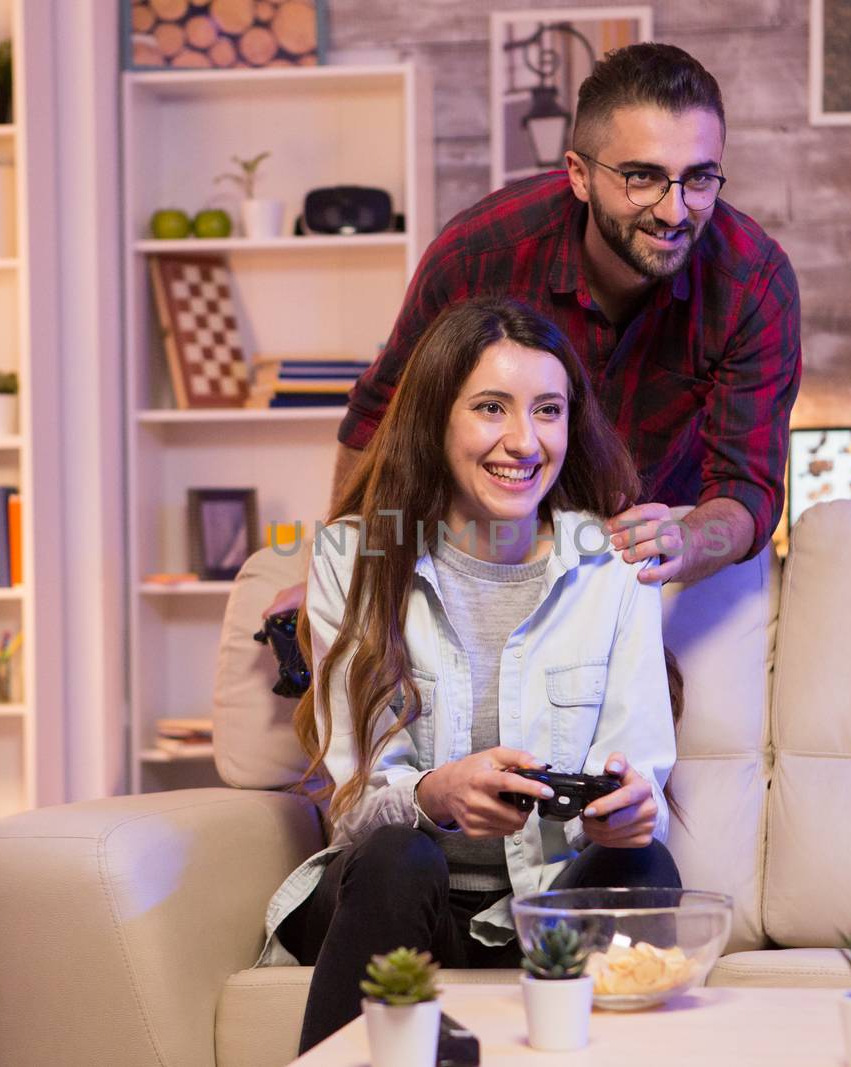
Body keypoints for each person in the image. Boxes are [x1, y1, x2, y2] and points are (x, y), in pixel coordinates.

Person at [258, 298, 681, 1052]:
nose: (524, 441)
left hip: (541, 911)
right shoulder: (350, 560)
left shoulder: (612, 567)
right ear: (437, 417)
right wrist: (434, 794)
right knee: (399, 853)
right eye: (492, 407)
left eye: (548, 410)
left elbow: (637, 769)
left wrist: (624, 812)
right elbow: (349, 807)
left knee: (645, 862)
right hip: (397, 896)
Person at [264, 41, 800, 618]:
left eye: (698, 179)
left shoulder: (753, 284)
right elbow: (379, 417)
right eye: (642, 177)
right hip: (491, 542)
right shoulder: (480, 254)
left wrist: (689, 540)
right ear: (578, 174)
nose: (674, 212)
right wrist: (342, 574)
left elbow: (748, 489)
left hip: (657, 555)